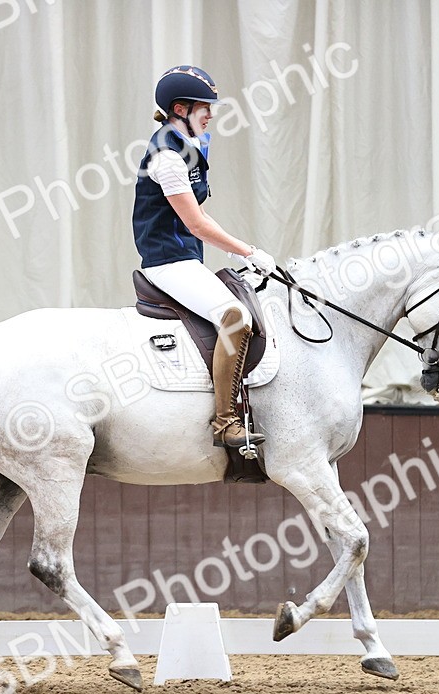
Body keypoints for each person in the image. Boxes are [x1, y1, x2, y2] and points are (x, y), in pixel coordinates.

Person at [132, 65, 277, 449]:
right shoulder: (167, 156)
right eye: (204, 108)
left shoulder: (190, 146)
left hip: (186, 259)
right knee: (235, 317)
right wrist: (248, 250)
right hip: (166, 261)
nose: (210, 114)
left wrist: (243, 250)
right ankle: (226, 423)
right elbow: (196, 224)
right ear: (180, 108)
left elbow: (200, 215)